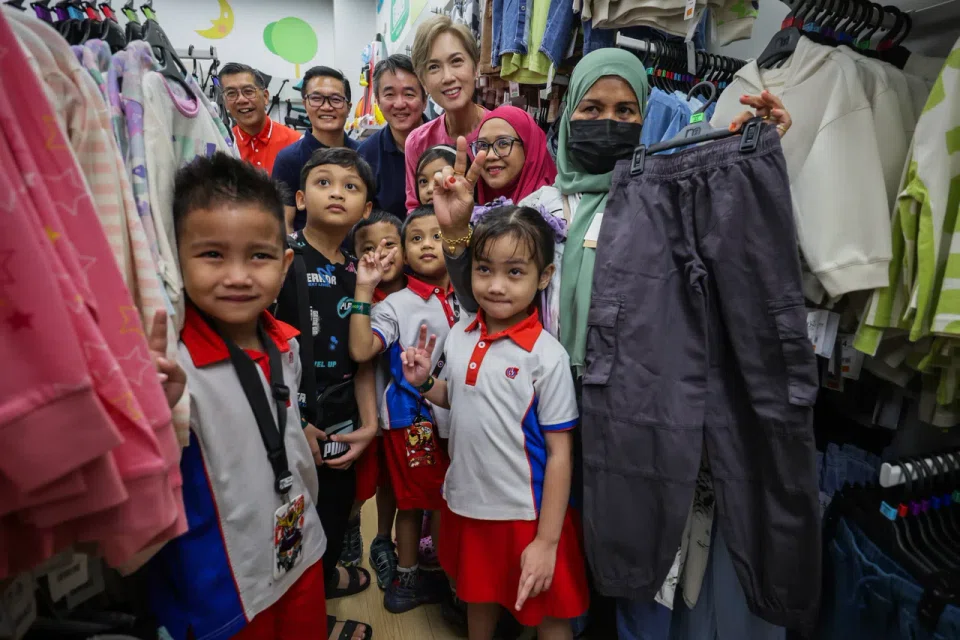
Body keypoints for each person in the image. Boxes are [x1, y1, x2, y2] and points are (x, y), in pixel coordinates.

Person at [431, 47, 794, 639]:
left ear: (647, 116)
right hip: (544, 402)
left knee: (626, 535)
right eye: (593, 107)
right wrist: (454, 234)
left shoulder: (663, 200)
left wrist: (757, 152)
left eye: (627, 110)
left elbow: (724, 228)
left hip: (630, 405)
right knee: (557, 531)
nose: (610, 121)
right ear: (568, 113)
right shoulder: (539, 208)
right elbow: (485, 306)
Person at [146, 153, 329, 639]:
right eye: (212, 255)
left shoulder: (284, 343)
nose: (238, 276)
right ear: (177, 257)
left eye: (259, 256)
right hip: (225, 583)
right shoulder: (176, 367)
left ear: (284, 263)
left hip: (300, 549)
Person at [400, 204, 589, 640]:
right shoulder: (460, 335)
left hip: (528, 512)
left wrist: (546, 541)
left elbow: (561, 453)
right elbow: (461, 397)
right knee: (477, 596)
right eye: (484, 270)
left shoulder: (547, 357)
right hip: (468, 501)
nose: (496, 285)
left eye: (515, 272)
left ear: (543, 277)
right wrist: (426, 382)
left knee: (548, 609)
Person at [272, 147, 377, 640]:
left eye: (351, 186)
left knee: (336, 505)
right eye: (324, 182)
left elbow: (364, 358)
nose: (337, 192)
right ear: (300, 197)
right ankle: (311, 619)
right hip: (293, 417)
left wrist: (367, 424)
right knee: (295, 517)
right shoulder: (285, 261)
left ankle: (324, 577)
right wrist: (294, 421)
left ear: (368, 209)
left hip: (342, 419)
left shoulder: (361, 273)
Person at [348, 206, 457, 613]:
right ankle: (408, 581)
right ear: (405, 255)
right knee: (415, 503)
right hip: (414, 422)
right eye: (416, 238)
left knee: (445, 499)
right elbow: (361, 350)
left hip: (455, 418)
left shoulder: (468, 291)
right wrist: (364, 291)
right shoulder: (395, 305)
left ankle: (443, 575)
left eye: (437, 236)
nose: (428, 244)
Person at [349, 211, 407, 590]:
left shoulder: (420, 291)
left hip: (409, 414)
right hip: (370, 407)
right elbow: (362, 361)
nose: (380, 254)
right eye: (369, 248)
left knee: (393, 483)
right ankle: (351, 528)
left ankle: (383, 539)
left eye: (389, 245)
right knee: (363, 480)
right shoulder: (362, 296)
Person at [404, 15, 488, 213]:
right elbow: (417, 213)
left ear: (475, 67)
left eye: (457, 61)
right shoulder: (418, 142)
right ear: (423, 81)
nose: (448, 77)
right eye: (434, 67)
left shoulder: (507, 130)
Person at [273, 66, 359, 233]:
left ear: (348, 107)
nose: (326, 107)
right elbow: (284, 225)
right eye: (316, 98)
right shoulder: (289, 159)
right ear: (305, 104)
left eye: (335, 99)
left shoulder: (364, 154)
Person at [357, 55, 428, 218]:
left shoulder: (445, 141)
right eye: (389, 95)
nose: (399, 104)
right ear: (378, 102)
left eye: (409, 94)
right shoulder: (366, 156)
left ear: (424, 101)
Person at [220, 62, 301, 174]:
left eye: (248, 91)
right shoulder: (222, 146)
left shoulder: (296, 143)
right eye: (231, 93)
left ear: (266, 97)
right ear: (225, 103)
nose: (241, 100)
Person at [473, 105, 557, 205]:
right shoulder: (471, 205)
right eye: (482, 145)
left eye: (503, 143)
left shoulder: (553, 211)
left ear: (528, 148)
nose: (490, 155)